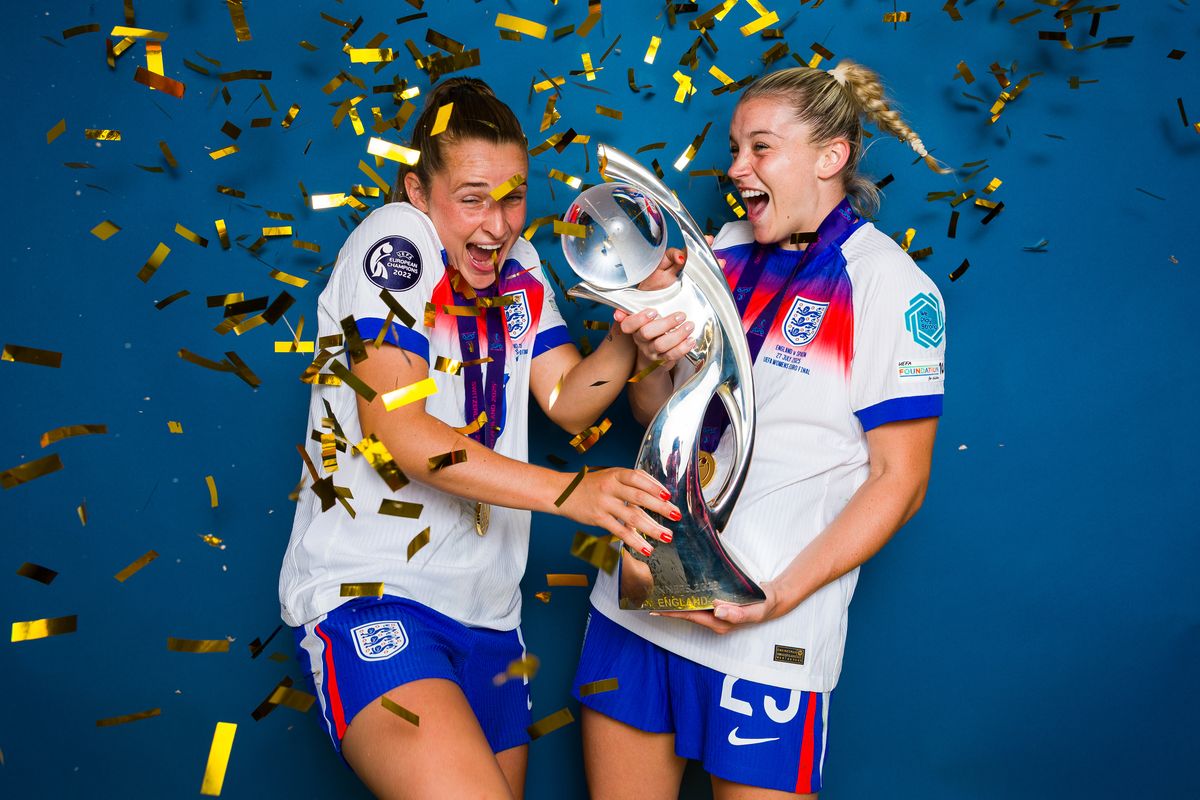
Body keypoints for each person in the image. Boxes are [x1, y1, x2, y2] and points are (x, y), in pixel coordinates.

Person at [278, 77, 681, 800]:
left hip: (491, 617)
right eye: (471, 198)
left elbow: (567, 401)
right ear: (417, 191)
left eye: (514, 196)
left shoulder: (519, 266)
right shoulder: (395, 241)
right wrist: (574, 492)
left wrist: (630, 328)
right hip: (379, 597)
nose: (496, 224)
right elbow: (402, 435)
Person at [573, 61, 949, 799]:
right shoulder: (720, 252)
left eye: (760, 149)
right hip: (640, 602)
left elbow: (899, 483)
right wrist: (647, 354)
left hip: (765, 635)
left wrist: (776, 595)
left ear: (831, 157)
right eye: (736, 148)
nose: (736, 167)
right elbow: (658, 415)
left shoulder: (890, 286)